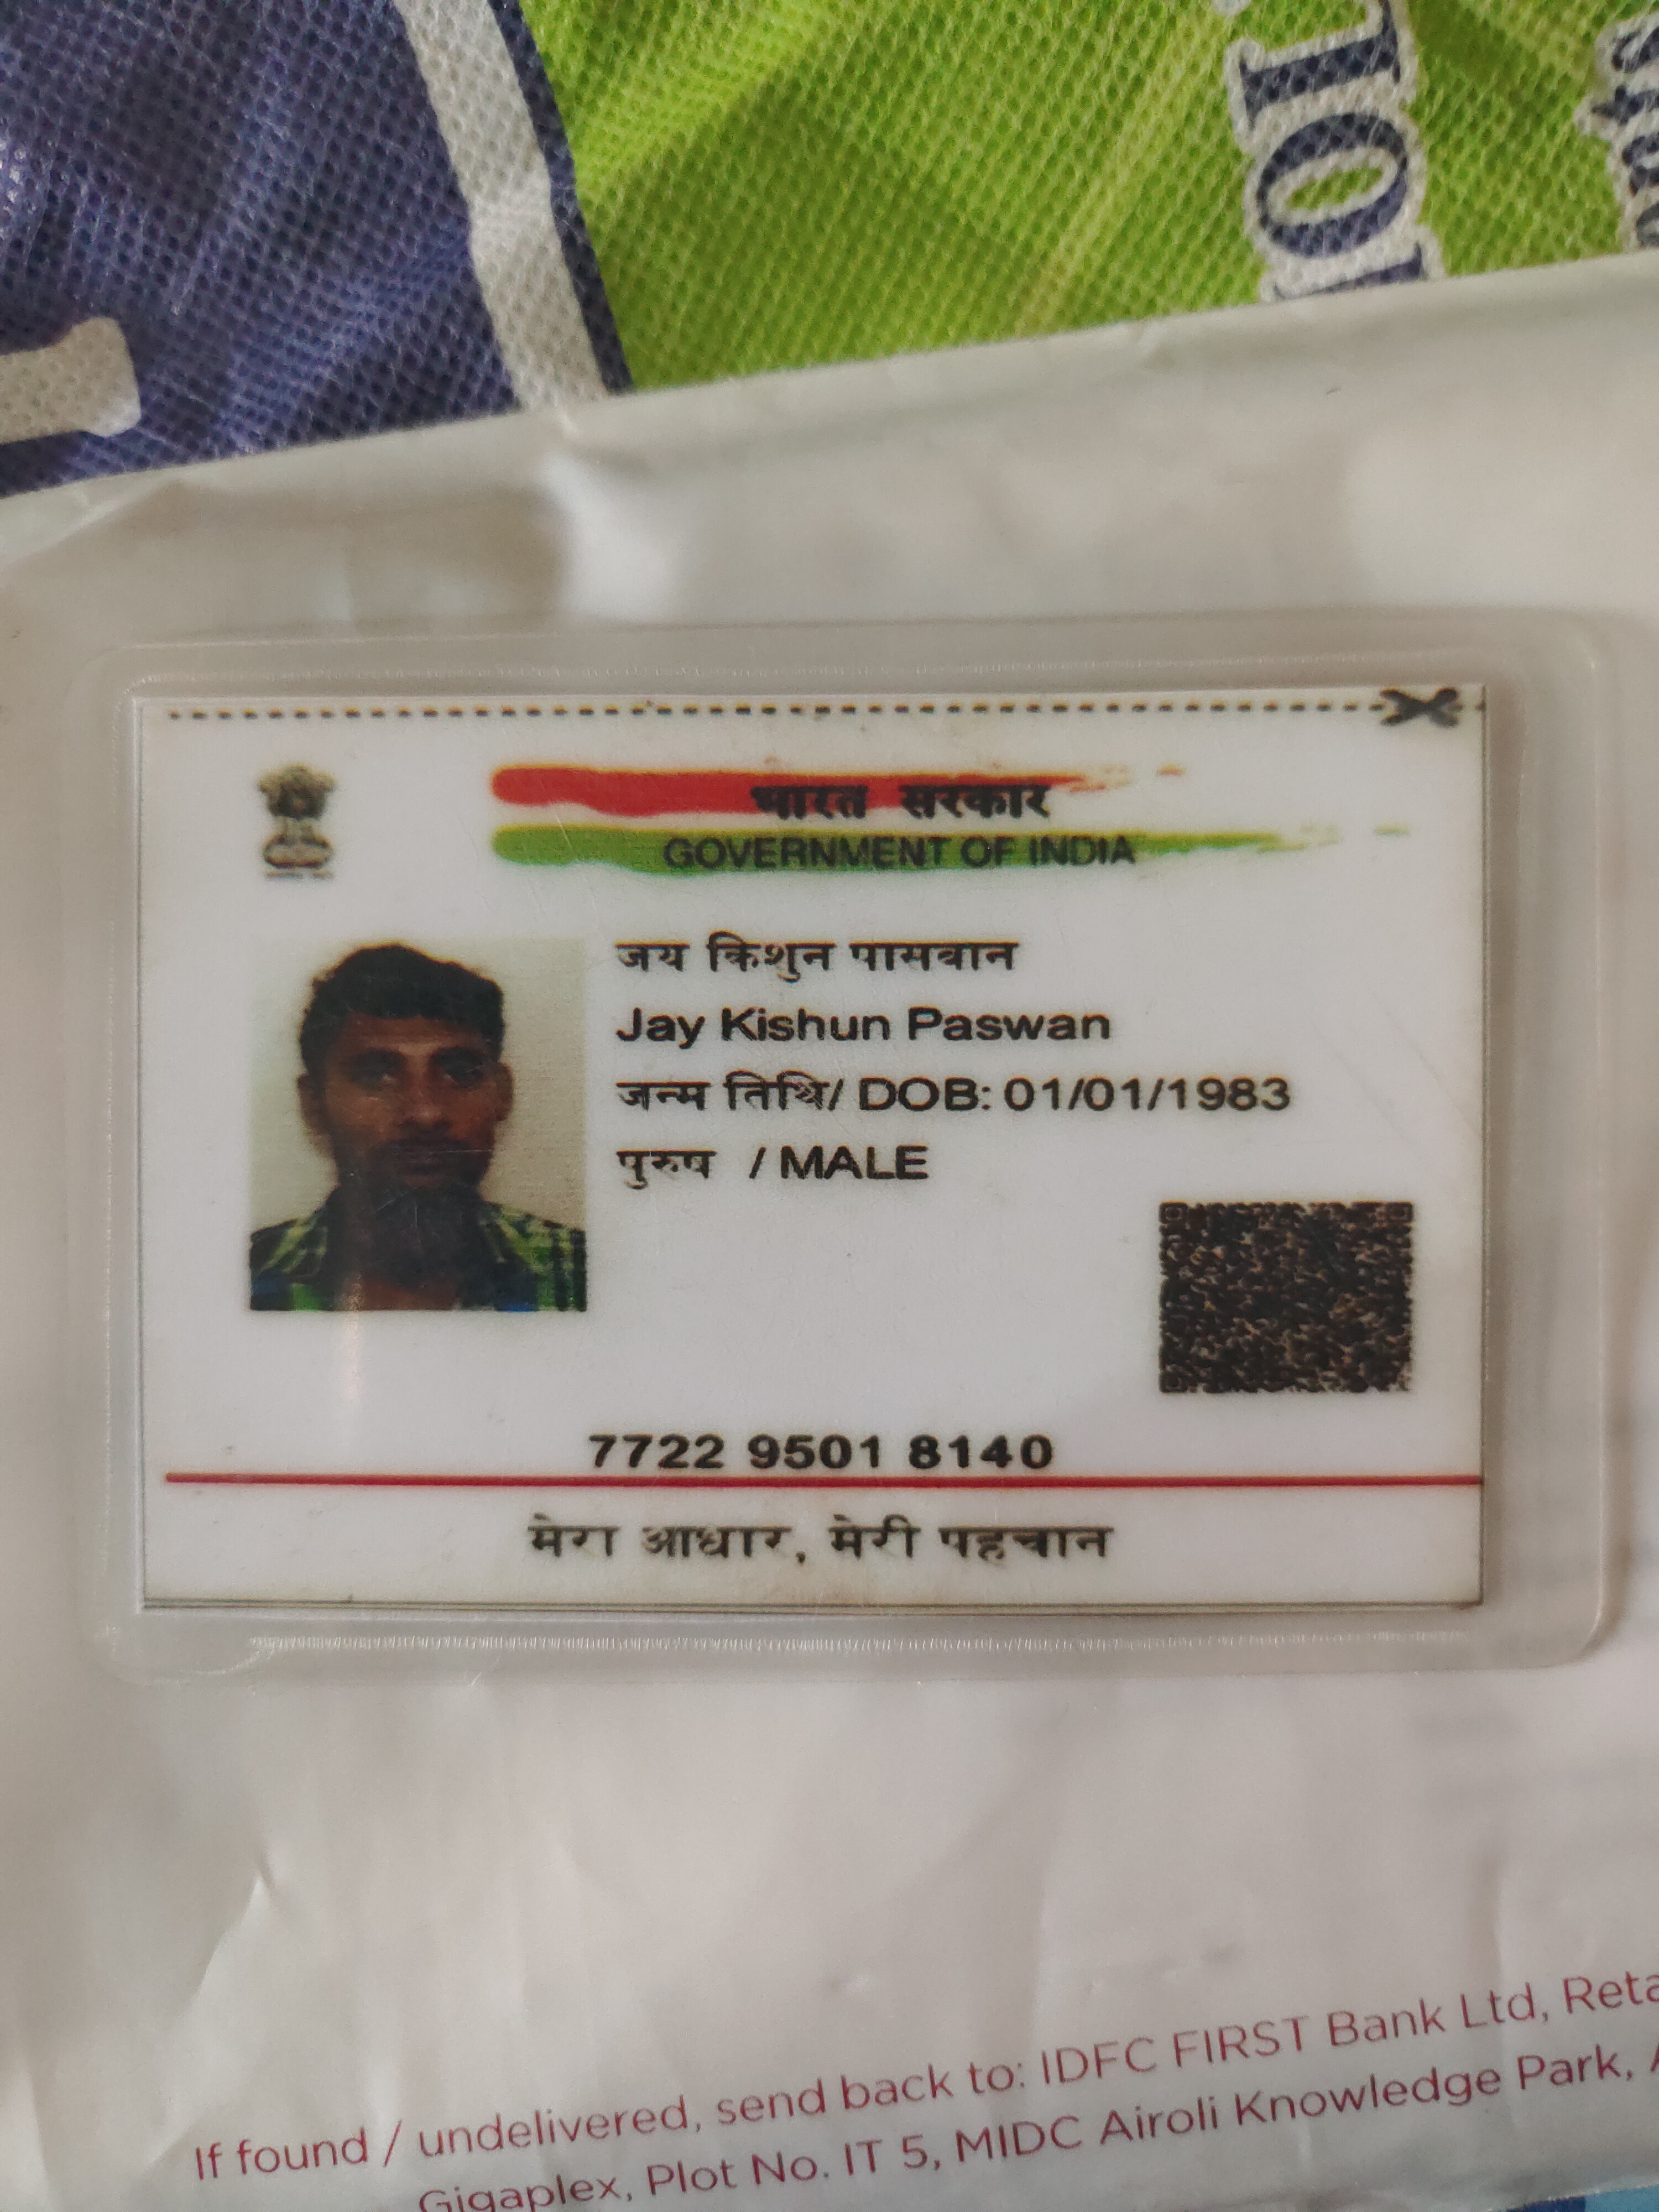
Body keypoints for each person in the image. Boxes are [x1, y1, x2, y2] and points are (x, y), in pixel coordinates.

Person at [251, 943, 585, 1312]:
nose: (426, 1113)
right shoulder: (241, 1278)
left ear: (503, 1094)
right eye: (376, 1076)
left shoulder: (582, 1273)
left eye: (460, 1073)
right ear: (314, 1103)